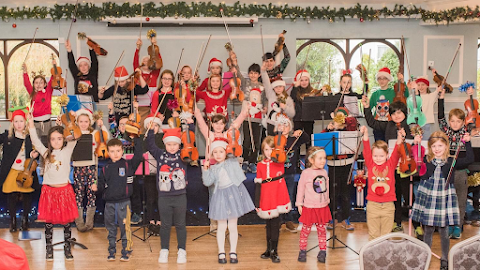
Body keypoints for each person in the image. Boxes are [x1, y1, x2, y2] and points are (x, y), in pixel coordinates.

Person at [411, 131, 473, 270]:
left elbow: (469, 158)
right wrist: (416, 144)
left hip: (444, 197)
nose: (437, 149)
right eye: (433, 146)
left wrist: (467, 142)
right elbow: (417, 164)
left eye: (440, 145)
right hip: (429, 196)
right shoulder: (426, 160)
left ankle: (444, 258)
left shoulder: (451, 161)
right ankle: (426, 256)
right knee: (428, 230)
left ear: (446, 146)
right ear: (430, 147)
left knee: (444, 230)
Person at [28, 113, 78, 261]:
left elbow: (75, 135)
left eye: (59, 138)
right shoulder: (46, 153)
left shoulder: (68, 150)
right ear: (49, 141)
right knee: (48, 223)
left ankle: (67, 247)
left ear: (63, 139)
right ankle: (49, 248)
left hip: (65, 191)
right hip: (49, 191)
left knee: (67, 223)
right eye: (53, 139)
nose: (56, 141)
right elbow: (36, 141)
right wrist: (31, 123)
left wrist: (68, 122)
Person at [202, 137, 255, 264]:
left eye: (221, 151)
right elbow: (207, 182)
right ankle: (221, 252)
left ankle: (233, 251)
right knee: (221, 226)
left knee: (232, 226)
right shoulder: (213, 168)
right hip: (220, 196)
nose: (218, 155)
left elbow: (236, 150)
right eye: (215, 152)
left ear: (226, 151)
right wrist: (205, 170)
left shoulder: (232, 161)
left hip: (233, 194)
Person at [93, 137, 143, 262]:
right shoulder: (105, 169)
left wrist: (136, 139)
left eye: (118, 150)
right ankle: (112, 249)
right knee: (110, 228)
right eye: (112, 151)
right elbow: (101, 185)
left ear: (122, 151)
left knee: (125, 227)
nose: (116, 154)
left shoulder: (128, 165)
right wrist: (96, 187)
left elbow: (139, 154)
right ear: (108, 153)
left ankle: (126, 249)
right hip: (109, 204)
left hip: (124, 203)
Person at [146, 125, 188, 264]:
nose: (172, 147)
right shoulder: (160, 155)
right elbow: (151, 146)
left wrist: (190, 125)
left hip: (180, 196)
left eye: (175, 144)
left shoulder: (183, 154)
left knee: (181, 224)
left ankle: (182, 250)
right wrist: (151, 131)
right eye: (169, 144)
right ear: (165, 144)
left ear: (179, 144)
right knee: (165, 225)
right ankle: (164, 250)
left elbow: (190, 141)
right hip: (164, 197)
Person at [438, 86, 471, 239]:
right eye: (452, 121)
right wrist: (441, 98)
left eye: (458, 121)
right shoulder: (447, 131)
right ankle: (448, 224)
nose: (455, 124)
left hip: (460, 171)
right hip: (447, 171)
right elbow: (440, 117)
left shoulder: (466, 133)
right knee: (447, 199)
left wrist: (456, 163)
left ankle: (458, 225)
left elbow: (469, 159)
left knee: (460, 199)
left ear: (463, 122)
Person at [360, 125, 402, 240]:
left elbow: (397, 152)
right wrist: (365, 134)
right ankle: (372, 257)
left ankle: (384, 258)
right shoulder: (370, 164)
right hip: (373, 206)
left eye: (381, 156)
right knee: (373, 236)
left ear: (387, 155)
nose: (378, 158)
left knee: (386, 236)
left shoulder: (390, 165)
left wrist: (399, 138)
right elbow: (367, 149)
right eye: (375, 156)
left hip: (388, 206)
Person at [70, 109, 109, 232]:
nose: (83, 124)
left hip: (91, 166)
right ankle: (79, 222)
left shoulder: (95, 133)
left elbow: (105, 138)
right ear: (77, 122)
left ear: (90, 122)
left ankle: (89, 222)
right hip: (77, 166)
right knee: (79, 194)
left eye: (86, 121)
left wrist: (102, 126)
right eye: (81, 121)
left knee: (91, 193)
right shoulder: (74, 134)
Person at [254, 136, 291, 263]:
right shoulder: (260, 165)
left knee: (275, 224)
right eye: (266, 150)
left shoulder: (279, 161)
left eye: (271, 149)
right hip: (266, 195)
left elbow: (283, 154)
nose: (268, 152)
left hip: (277, 195)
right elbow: (258, 184)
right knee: (268, 224)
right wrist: (257, 202)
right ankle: (268, 249)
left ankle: (275, 250)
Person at [0, 109, 38, 232]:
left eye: (21, 121)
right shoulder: (7, 136)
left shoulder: (29, 137)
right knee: (11, 195)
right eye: (16, 121)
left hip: (25, 172)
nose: (19, 124)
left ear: (25, 122)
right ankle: (13, 221)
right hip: (12, 170)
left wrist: (34, 153)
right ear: (12, 123)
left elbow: (37, 148)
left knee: (27, 195)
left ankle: (25, 220)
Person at [323, 108, 358, 231]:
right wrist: (328, 130)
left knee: (345, 193)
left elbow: (353, 122)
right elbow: (321, 142)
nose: (339, 119)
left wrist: (342, 120)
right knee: (333, 192)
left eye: (341, 117)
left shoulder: (350, 128)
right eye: (337, 117)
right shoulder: (330, 129)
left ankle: (345, 218)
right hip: (333, 165)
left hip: (346, 165)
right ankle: (332, 218)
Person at [296, 147, 332, 263]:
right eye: (320, 158)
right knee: (305, 230)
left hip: (322, 207)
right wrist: (299, 204)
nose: (323, 161)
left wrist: (327, 201)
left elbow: (326, 189)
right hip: (309, 207)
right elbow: (300, 189)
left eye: (324, 158)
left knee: (322, 230)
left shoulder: (324, 172)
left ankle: (322, 251)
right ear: (311, 160)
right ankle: (302, 251)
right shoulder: (306, 173)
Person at [368, 67, 408, 141]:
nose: (382, 80)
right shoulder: (375, 94)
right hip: (378, 125)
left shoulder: (394, 92)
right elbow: (368, 108)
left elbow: (406, 95)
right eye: (380, 78)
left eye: (384, 78)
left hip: (390, 124)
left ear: (388, 79)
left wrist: (402, 81)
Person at [261, 63, 295, 135]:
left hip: (282, 125)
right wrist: (263, 71)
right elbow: (266, 83)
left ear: (283, 87)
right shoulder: (271, 95)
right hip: (271, 123)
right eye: (276, 87)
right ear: (273, 88)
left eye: (280, 86)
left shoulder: (288, 99)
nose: (278, 89)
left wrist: (285, 107)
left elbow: (292, 113)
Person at [22, 63, 54, 137]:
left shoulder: (48, 92)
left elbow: (53, 79)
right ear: (33, 85)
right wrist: (25, 72)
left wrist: (54, 67)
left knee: (47, 142)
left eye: (41, 83)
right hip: (35, 123)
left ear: (45, 84)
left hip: (46, 123)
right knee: (35, 142)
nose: (38, 85)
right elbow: (26, 83)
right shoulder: (32, 92)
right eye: (36, 83)